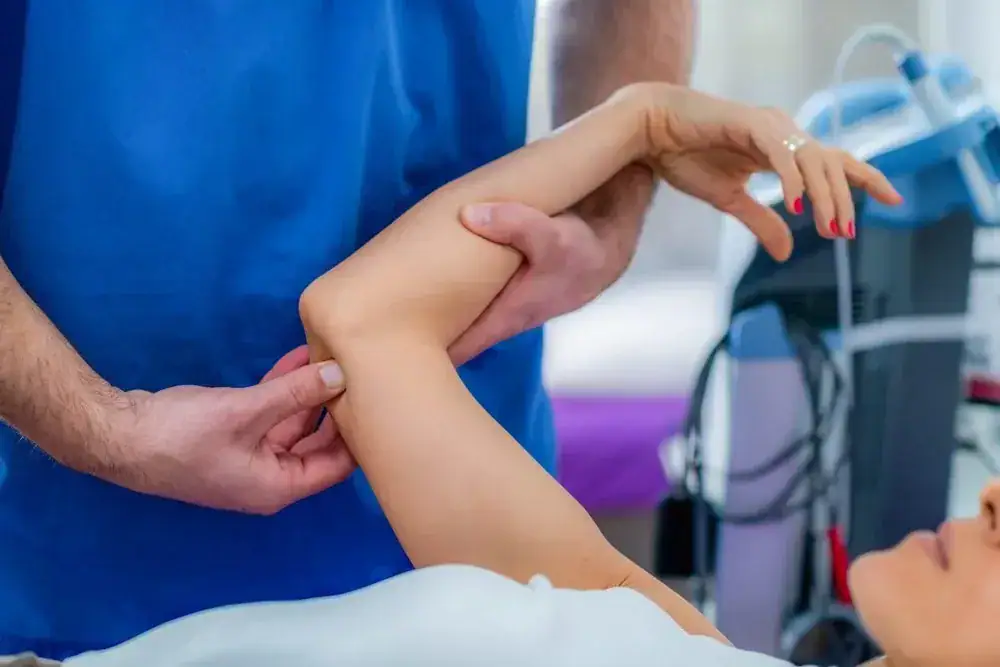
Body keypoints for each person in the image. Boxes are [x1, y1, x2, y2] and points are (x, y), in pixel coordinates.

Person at [4, 79, 947, 667]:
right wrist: (637, 121)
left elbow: (365, 324)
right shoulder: (680, 644)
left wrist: (639, 124)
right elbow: (360, 325)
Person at [0, 0, 697, 658]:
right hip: (67, 521)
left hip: (453, 494)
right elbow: (355, 318)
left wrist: (613, 206)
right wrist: (103, 426)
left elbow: (355, 319)